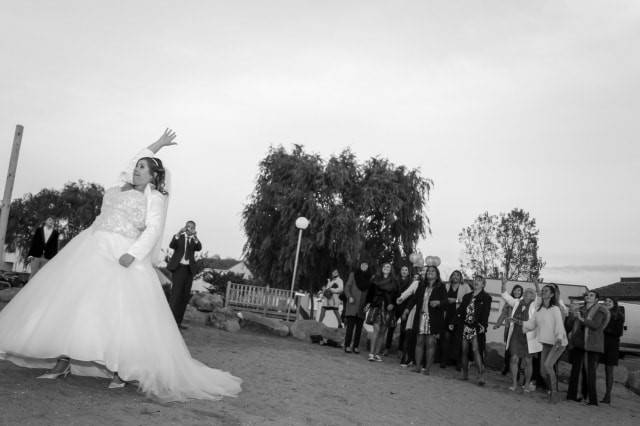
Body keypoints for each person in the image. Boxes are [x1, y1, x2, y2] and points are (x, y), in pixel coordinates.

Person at [0, 129, 242, 402]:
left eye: (143, 168)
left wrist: (134, 253)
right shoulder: (118, 187)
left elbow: (152, 229)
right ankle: (64, 359)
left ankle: (123, 369)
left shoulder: (154, 197)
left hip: (123, 253)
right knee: (75, 303)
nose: (137, 170)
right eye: (137, 167)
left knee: (121, 312)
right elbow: (134, 159)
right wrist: (157, 145)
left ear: (153, 177)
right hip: (91, 249)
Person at [397, 264, 447, 375]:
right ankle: (418, 367)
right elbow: (413, 299)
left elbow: (446, 302)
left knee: (430, 343)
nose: (430, 272)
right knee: (419, 342)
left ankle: (427, 369)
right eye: (428, 271)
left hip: (433, 319)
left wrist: (439, 302)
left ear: (437, 274)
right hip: (420, 317)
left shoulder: (441, 287)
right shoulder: (421, 285)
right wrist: (407, 309)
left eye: (433, 271)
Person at [523, 285, 568, 403]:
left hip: (558, 342)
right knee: (543, 372)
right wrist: (520, 323)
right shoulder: (539, 310)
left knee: (548, 365)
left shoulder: (555, 309)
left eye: (546, 290)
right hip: (547, 343)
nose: (543, 292)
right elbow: (531, 324)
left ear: (552, 295)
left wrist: (558, 337)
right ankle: (551, 390)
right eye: (542, 290)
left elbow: (559, 325)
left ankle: (554, 394)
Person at [566, 290, 610, 405]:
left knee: (589, 373)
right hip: (578, 343)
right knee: (575, 370)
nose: (588, 297)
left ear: (596, 299)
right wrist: (572, 316)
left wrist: (581, 319)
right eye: (587, 295)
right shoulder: (581, 309)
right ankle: (573, 395)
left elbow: (595, 325)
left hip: (592, 345)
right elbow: (571, 325)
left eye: (591, 295)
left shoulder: (600, 310)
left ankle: (592, 399)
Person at [500, 276, 541, 393]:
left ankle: (527, 384)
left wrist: (536, 285)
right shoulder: (517, 302)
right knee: (513, 358)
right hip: (516, 334)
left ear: (533, 296)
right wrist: (503, 284)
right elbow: (505, 296)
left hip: (529, 335)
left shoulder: (535, 304)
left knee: (528, 361)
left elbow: (540, 295)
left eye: (530, 292)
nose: (528, 293)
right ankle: (514, 383)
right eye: (527, 292)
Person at [457, 274, 492, 385]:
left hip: (476, 327)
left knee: (476, 351)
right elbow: (461, 311)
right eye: (475, 279)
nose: (476, 281)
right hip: (465, 326)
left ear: (483, 284)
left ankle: (481, 376)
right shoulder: (467, 296)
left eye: (479, 280)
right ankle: (464, 374)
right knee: (464, 351)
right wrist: (454, 322)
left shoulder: (486, 297)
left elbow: (486, 313)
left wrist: (484, 326)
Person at [167, 220, 202, 329]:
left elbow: (199, 247)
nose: (189, 229)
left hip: (189, 270)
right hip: (179, 268)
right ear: (184, 227)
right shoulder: (179, 237)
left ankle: (178, 322)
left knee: (184, 296)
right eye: (188, 226)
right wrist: (178, 233)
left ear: (194, 229)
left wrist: (195, 237)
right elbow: (172, 245)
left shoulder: (194, 240)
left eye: (192, 227)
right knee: (175, 295)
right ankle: (169, 322)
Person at [366, 262, 398, 362]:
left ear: (391, 269)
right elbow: (370, 293)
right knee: (376, 329)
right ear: (381, 268)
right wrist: (367, 304)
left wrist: (393, 304)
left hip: (388, 308)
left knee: (383, 332)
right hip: (377, 306)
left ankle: (377, 354)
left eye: (388, 267)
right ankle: (371, 353)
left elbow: (397, 294)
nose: (386, 268)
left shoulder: (394, 281)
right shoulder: (375, 279)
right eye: (384, 266)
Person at [441, 270, 471, 370]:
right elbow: (442, 299)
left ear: (460, 277)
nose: (455, 277)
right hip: (447, 315)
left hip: (459, 316)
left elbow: (469, 300)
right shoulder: (446, 286)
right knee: (446, 338)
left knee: (458, 339)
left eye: (457, 275)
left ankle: (458, 362)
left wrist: (456, 300)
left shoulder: (465, 287)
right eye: (453, 275)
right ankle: (444, 360)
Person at [343, 259, 372, 353]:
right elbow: (347, 287)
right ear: (360, 266)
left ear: (368, 267)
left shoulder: (370, 277)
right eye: (363, 264)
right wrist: (349, 296)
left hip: (362, 306)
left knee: (359, 328)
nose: (364, 266)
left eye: (366, 265)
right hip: (352, 303)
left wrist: (368, 304)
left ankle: (355, 346)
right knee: (350, 327)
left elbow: (370, 293)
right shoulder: (353, 274)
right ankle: (347, 345)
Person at [599, 297, 625, 404]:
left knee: (609, 371)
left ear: (614, 304)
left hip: (612, 346)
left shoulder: (618, 316)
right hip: (600, 344)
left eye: (609, 301)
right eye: (606, 301)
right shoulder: (601, 314)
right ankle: (588, 392)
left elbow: (619, 332)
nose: (607, 302)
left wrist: (604, 329)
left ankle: (607, 396)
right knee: (592, 366)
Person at [494, 283, 523, 375]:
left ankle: (517, 372)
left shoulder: (523, 302)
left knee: (517, 351)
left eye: (519, 290)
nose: (517, 292)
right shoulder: (508, 302)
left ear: (522, 292)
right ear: (512, 291)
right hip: (508, 328)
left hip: (518, 330)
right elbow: (503, 314)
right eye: (515, 290)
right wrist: (498, 324)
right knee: (508, 349)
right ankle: (506, 368)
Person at [384, 264, 412, 357]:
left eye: (406, 270)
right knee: (391, 327)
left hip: (404, 308)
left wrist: (407, 308)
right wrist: (391, 303)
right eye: (403, 270)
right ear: (400, 271)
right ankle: (387, 348)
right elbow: (391, 293)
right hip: (395, 307)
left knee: (403, 329)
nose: (404, 271)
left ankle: (400, 350)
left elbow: (411, 297)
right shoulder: (395, 281)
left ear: (408, 272)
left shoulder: (411, 283)